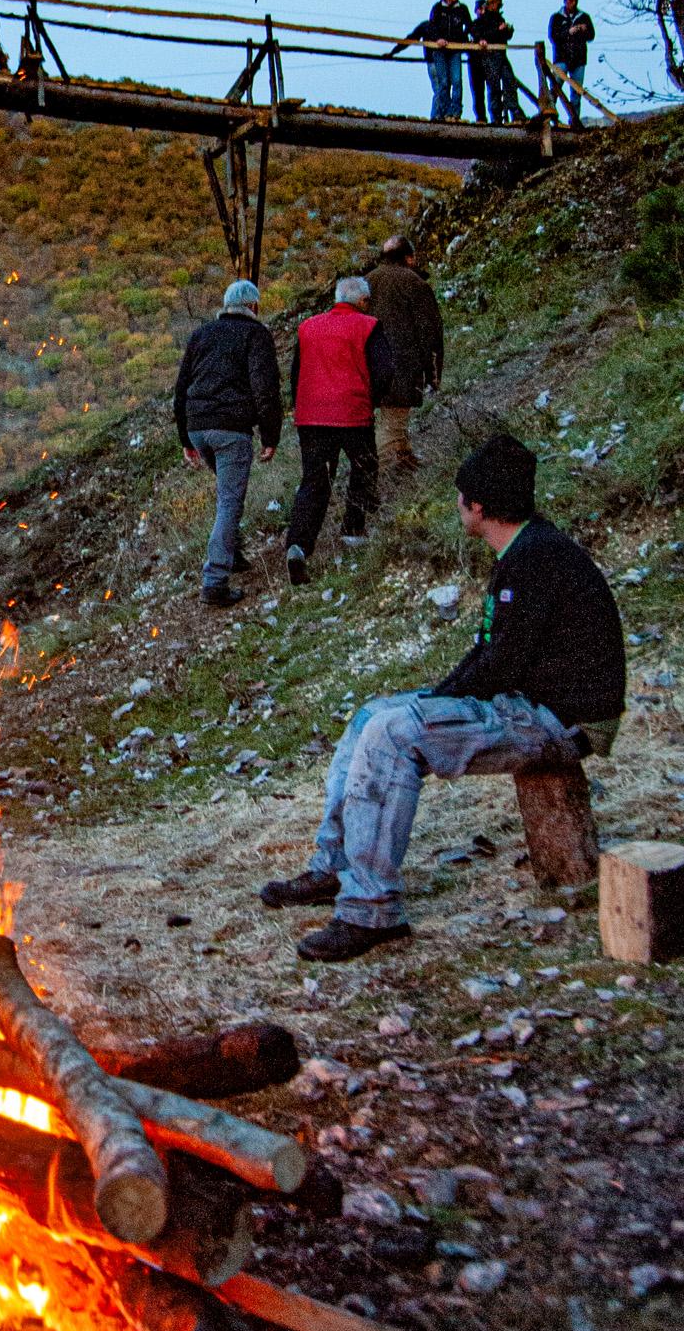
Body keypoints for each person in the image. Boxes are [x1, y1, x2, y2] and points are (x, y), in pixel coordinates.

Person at [260, 434, 625, 962]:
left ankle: (371, 911)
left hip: (560, 721)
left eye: (460, 497)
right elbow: (494, 655)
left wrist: (436, 704)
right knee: (372, 716)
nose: (456, 505)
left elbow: (500, 663)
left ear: (477, 505)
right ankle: (334, 867)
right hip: (533, 704)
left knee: (393, 732)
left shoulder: (536, 560)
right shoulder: (526, 551)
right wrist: (438, 696)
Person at [172, 277, 282, 608]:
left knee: (227, 493)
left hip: (198, 428)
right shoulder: (256, 334)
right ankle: (215, 581)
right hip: (231, 430)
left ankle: (233, 555)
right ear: (254, 307)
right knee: (229, 502)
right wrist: (270, 434)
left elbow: (180, 389)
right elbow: (265, 387)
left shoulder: (201, 335)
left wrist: (185, 439)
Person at [284, 277, 393, 585]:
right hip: (352, 412)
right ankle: (353, 530)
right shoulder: (368, 325)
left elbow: (295, 373)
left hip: (311, 416)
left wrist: (302, 405)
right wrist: (370, 399)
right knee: (364, 468)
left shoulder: (307, 327)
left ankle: (298, 546)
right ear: (362, 301)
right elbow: (384, 371)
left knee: (315, 482)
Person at [364, 236, 444, 474]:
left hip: (366, 365)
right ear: (409, 257)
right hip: (401, 365)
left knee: (391, 422)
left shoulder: (366, 282)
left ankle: (405, 462)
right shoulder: (415, 283)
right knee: (392, 425)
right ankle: (386, 477)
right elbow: (430, 331)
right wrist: (433, 373)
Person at [402, 0, 472, 122]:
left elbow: (470, 26)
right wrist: (438, 39)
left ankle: (455, 113)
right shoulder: (438, 8)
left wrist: (465, 39)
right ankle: (444, 113)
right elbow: (431, 27)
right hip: (439, 50)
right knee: (444, 82)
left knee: (457, 81)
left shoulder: (462, 8)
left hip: (454, 49)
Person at [469, 0, 521, 124]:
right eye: (497, 4)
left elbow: (505, 37)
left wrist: (508, 30)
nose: (499, 7)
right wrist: (499, 30)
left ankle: (515, 113)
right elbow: (482, 36)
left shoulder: (499, 18)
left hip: (501, 55)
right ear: (491, 4)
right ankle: (496, 118)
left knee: (510, 82)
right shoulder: (481, 21)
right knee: (494, 87)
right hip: (490, 56)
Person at [547, 0, 596, 127]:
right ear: (565, 1)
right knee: (555, 88)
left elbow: (591, 36)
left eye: (574, 1)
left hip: (579, 59)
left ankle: (574, 122)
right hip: (561, 58)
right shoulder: (556, 17)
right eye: (569, 0)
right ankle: (551, 119)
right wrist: (568, 32)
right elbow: (553, 37)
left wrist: (584, 30)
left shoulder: (584, 17)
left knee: (576, 92)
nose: (571, 3)